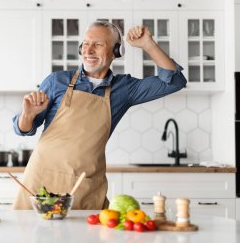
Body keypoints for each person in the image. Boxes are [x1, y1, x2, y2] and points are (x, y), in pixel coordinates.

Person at [12, 21, 187, 210]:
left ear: (116, 52)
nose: (89, 50)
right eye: (86, 44)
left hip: (84, 184)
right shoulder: (56, 81)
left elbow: (175, 82)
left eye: (98, 44)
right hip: (41, 179)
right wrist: (27, 116)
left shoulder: (124, 89)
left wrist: (148, 45)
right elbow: (24, 130)